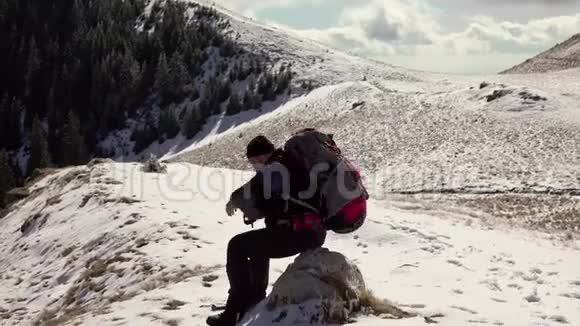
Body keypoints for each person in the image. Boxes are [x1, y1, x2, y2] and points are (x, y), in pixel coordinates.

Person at [206, 135, 327, 326]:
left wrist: (245, 205)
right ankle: (254, 299)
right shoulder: (284, 164)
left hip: (299, 234)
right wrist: (240, 199)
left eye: (257, 161)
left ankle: (233, 310)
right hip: (311, 231)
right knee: (257, 244)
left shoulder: (276, 170)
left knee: (237, 246)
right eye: (253, 162)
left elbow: (265, 201)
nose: (256, 165)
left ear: (266, 155)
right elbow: (260, 189)